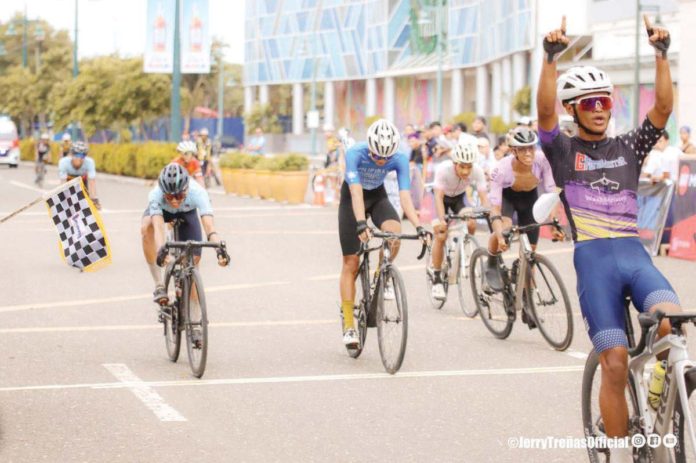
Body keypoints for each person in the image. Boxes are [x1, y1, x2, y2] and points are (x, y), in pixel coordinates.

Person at [538, 16, 679, 460]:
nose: (600, 107)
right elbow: (543, 115)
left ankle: (660, 389)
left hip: (634, 257)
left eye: (604, 100)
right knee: (614, 363)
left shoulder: (628, 148)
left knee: (671, 324)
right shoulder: (564, 151)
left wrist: (661, 55)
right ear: (573, 110)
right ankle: (619, 448)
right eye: (589, 102)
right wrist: (550, 59)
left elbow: (661, 109)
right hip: (594, 264)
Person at [338, 119, 427, 348]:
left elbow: (405, 196)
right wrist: (360, 224)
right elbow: (356, 193)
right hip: (352, 199)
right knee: (351, 262)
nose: (381, 161)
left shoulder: (399, 159)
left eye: (385, 158)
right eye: (377, 156)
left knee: (394, 233)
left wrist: (418, 226)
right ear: (369, 146)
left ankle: (383, 271)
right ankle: (349, 325)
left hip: (378, 197)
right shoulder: (355, 153)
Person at [485, 127, 560, 294]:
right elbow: (495, 208)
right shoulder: (500, 169)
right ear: (513, 151)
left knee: (530, 254)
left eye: (531, 148)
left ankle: (527, 298)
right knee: (504, 229)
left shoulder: (542, 160)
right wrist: (499, 236)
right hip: (508, 198)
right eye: (522, 149)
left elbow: (552, 193)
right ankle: (491, 261)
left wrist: (554, 222)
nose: (528, 153)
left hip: (529, 199)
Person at [141, 164, 230, 304]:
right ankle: (159, 285)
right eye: (169, 196)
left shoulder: (198, 193)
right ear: (163, 192)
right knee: (146, 228)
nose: (175, 201)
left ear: (187, 189)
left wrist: (219, 250)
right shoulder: (156, 195)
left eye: (179, 195)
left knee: (192, 263)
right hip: (164, 212)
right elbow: (158, 228)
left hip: (187, 211)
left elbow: (209, 227)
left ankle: (193, 311)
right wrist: (161, 251)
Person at [430, 139, 490, 300]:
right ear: (454, 163)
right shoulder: (443, 169)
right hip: (440, 199)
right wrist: (442, 220)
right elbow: (438, 196)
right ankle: (436, 278)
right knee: (441, 234)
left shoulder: (476, 171)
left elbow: (484, 197)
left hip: (459, 199)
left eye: (468, 167)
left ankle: (465, 243)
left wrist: (489, 213)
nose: (465, 171)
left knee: (471, 220)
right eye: (462, 166)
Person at [58, 141, 101, 209]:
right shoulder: (63, 162)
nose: (80, 159)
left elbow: (91, 182)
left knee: (86, 203)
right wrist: (62, 198)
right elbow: (62, 182)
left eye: (83, 156)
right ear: (71, 155)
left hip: (82, 180)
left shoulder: (89, 162)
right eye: (77, 155)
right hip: (69, 180)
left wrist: (94, 198)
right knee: (66, 203)